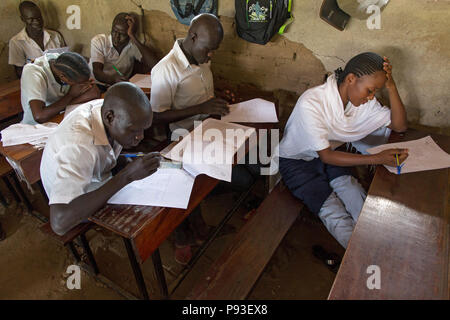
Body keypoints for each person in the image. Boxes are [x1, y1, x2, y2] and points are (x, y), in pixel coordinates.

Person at [151, 13, 259, 265]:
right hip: (183, 137)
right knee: (228, 179)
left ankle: (198, 224)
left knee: (251, 169)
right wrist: (202, 107)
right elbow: (156, 117)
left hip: (210, 128)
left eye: (213, 51)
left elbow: (199, 93)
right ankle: (186, 230)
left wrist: (217, 96)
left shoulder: (200, 57)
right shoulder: (166, 69)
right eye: (208, 49)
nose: (211, 56)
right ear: (193, 36)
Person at [277, 52, 408, 249]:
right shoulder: (312, 103)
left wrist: (391, 86)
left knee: (354, 193)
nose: (372, 97)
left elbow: (399, 126)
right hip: (298, 163)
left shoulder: (363, 104)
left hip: (333, 155)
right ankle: (362, 259)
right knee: (333, 211)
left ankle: (377, 246)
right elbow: (326, 155)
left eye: (376, 91)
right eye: (370, 90)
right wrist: (377, 158)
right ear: (350, 79)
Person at [40, 82, 160, 236]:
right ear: (109, 117)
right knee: (142, 214)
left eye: (143, 129)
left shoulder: (112, 112)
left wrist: (123, 162)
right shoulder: (78, 145)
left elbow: (102, 153)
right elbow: (59, 222)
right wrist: (127, 175)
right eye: (133, 130)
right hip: (74, 203)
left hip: (94, 175)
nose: (140, 137)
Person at [20, 51, 100, 125]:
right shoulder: (34, 72)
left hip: (61, 116)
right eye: (79, 84)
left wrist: (65, 105)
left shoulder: (68, 63)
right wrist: (71, 95)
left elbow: (94, 92)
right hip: (36, 127)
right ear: (63, 77)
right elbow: (39, 116)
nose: (83, 85)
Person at [90, 12, 158, 90]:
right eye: (114, 31)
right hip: (97, 84)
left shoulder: (132, 46)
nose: (116, 37)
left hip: (118, 86)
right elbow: (97, 72)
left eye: (122, 34)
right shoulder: (99, 41)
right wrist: (114, 80)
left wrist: (133, 36)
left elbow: (155, 65)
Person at [9, 1, 66, 78]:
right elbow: (20, 73)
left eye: (39, 17)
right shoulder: (16, 42)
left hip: (59, 82)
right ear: (23, 19)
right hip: (35, 83)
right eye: (31, 19)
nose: (37, 21)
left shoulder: (55, 35)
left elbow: (66, 60)